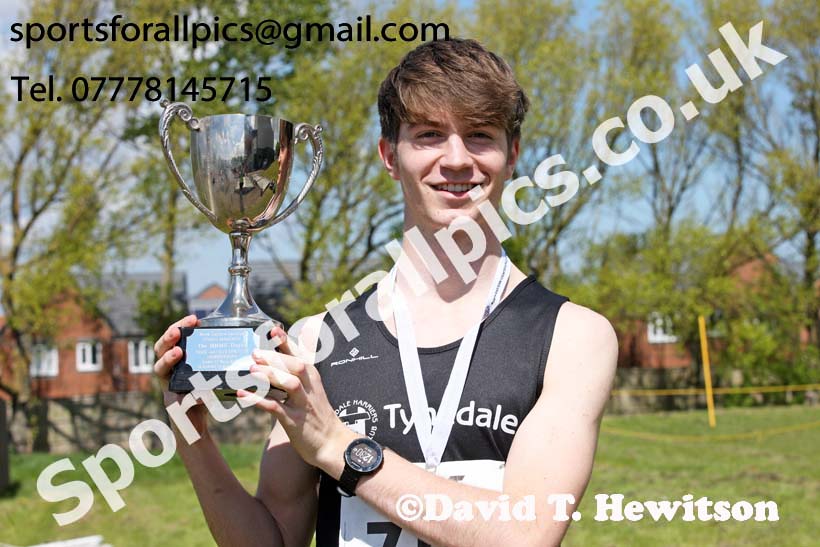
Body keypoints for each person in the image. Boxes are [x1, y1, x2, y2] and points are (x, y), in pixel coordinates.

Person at [153, 38, 617, 547]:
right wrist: (190, 430)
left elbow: (524, 535)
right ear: (389, 156)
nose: (457, 159)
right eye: (429, 135)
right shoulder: (316, 341)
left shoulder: (572, 337)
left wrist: (337, 446)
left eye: (480, 135)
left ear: (513, 156)